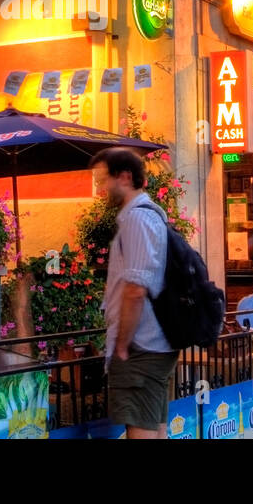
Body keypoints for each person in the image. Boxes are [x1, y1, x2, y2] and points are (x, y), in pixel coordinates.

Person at [90, 146, 177, 439]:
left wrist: (123, 344)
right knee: (155, 427)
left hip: (141, 345)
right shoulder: (152, 214)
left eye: (104, 180)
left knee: (142, 429)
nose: (101, 188)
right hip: (155, 342)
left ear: (125, 177)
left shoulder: (137, 219)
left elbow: (136, 289)